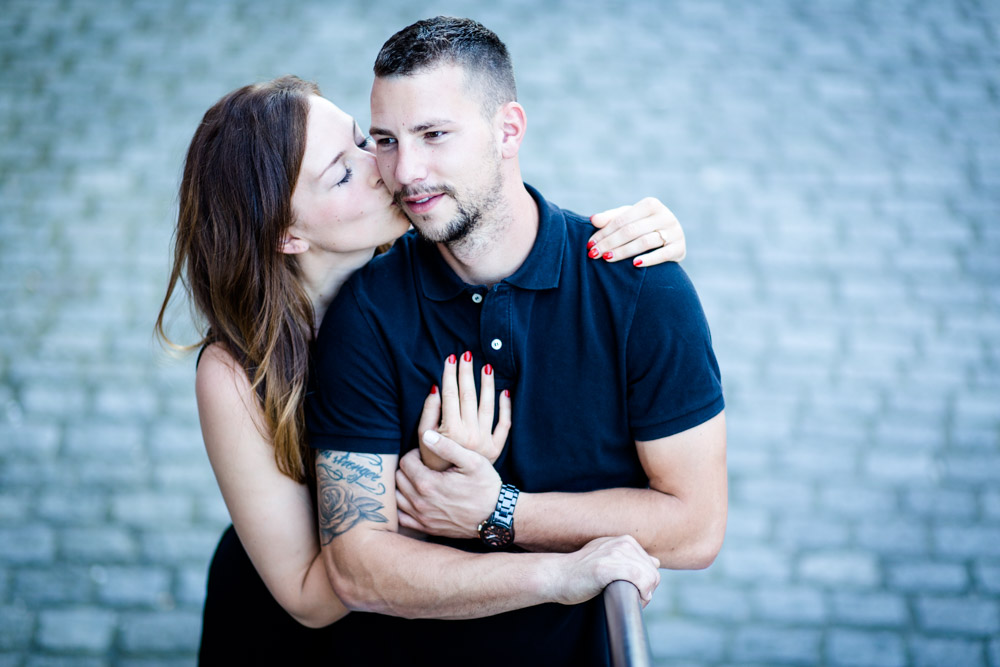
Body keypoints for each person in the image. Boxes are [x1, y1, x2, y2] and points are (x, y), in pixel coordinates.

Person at [154, 74, 690, 664]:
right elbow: (311, 595)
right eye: (342, 173)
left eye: (364, 141)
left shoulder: (419, 258)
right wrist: (431, 480)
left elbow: (505, 219)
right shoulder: (235, 371)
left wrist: (643, 241)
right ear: (288, 234)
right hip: (297, 637)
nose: (389, 168)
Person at [306, 16, 728, 667]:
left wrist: (501, 512)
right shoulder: (364, 312)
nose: (406, 170)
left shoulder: (642, 291)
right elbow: (357, 567)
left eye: (434, 134)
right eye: (386, 140)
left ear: (508, 130)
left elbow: (696, 525)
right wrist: (556, 571)